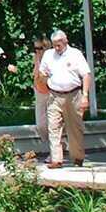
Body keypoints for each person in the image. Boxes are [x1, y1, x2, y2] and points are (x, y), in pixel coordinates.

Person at [38, 29, 92, 168]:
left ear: (65, 40)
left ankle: (78, 157)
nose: (56, 47)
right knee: (53, 127)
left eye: (59, 44)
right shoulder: (49, 55)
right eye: (54, 44)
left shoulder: (75, 54)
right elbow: (42, 72)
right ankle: (56, 159)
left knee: (75, 128)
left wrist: (85, 96)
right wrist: (45, 80)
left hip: (73, 95)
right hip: (54, 95)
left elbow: (86, 75)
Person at [30, 38, 52, 145]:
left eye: (39, 48)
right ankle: (48, 143)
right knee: (40, 124)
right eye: (35, 49)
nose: (37, 51)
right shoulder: (36, 58)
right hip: (39, 91)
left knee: (53, 122)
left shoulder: (52, 59)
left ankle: (55, 148)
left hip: (51, 91)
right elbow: (35, 73)